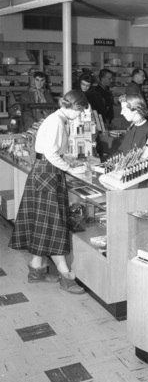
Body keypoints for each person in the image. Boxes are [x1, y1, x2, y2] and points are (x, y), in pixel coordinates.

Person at [9, 90, 89, 294]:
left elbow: (50, 150)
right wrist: (70, 168)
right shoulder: (55, 122)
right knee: (53, 224)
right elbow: (51, 153)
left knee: (43, 223)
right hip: (48, 174)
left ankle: (37, 269)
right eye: (80, 112)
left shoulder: (56, 119)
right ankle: (65, 274)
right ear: (75, 107)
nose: (79, 116)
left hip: (45, 173)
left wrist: (66, 160)